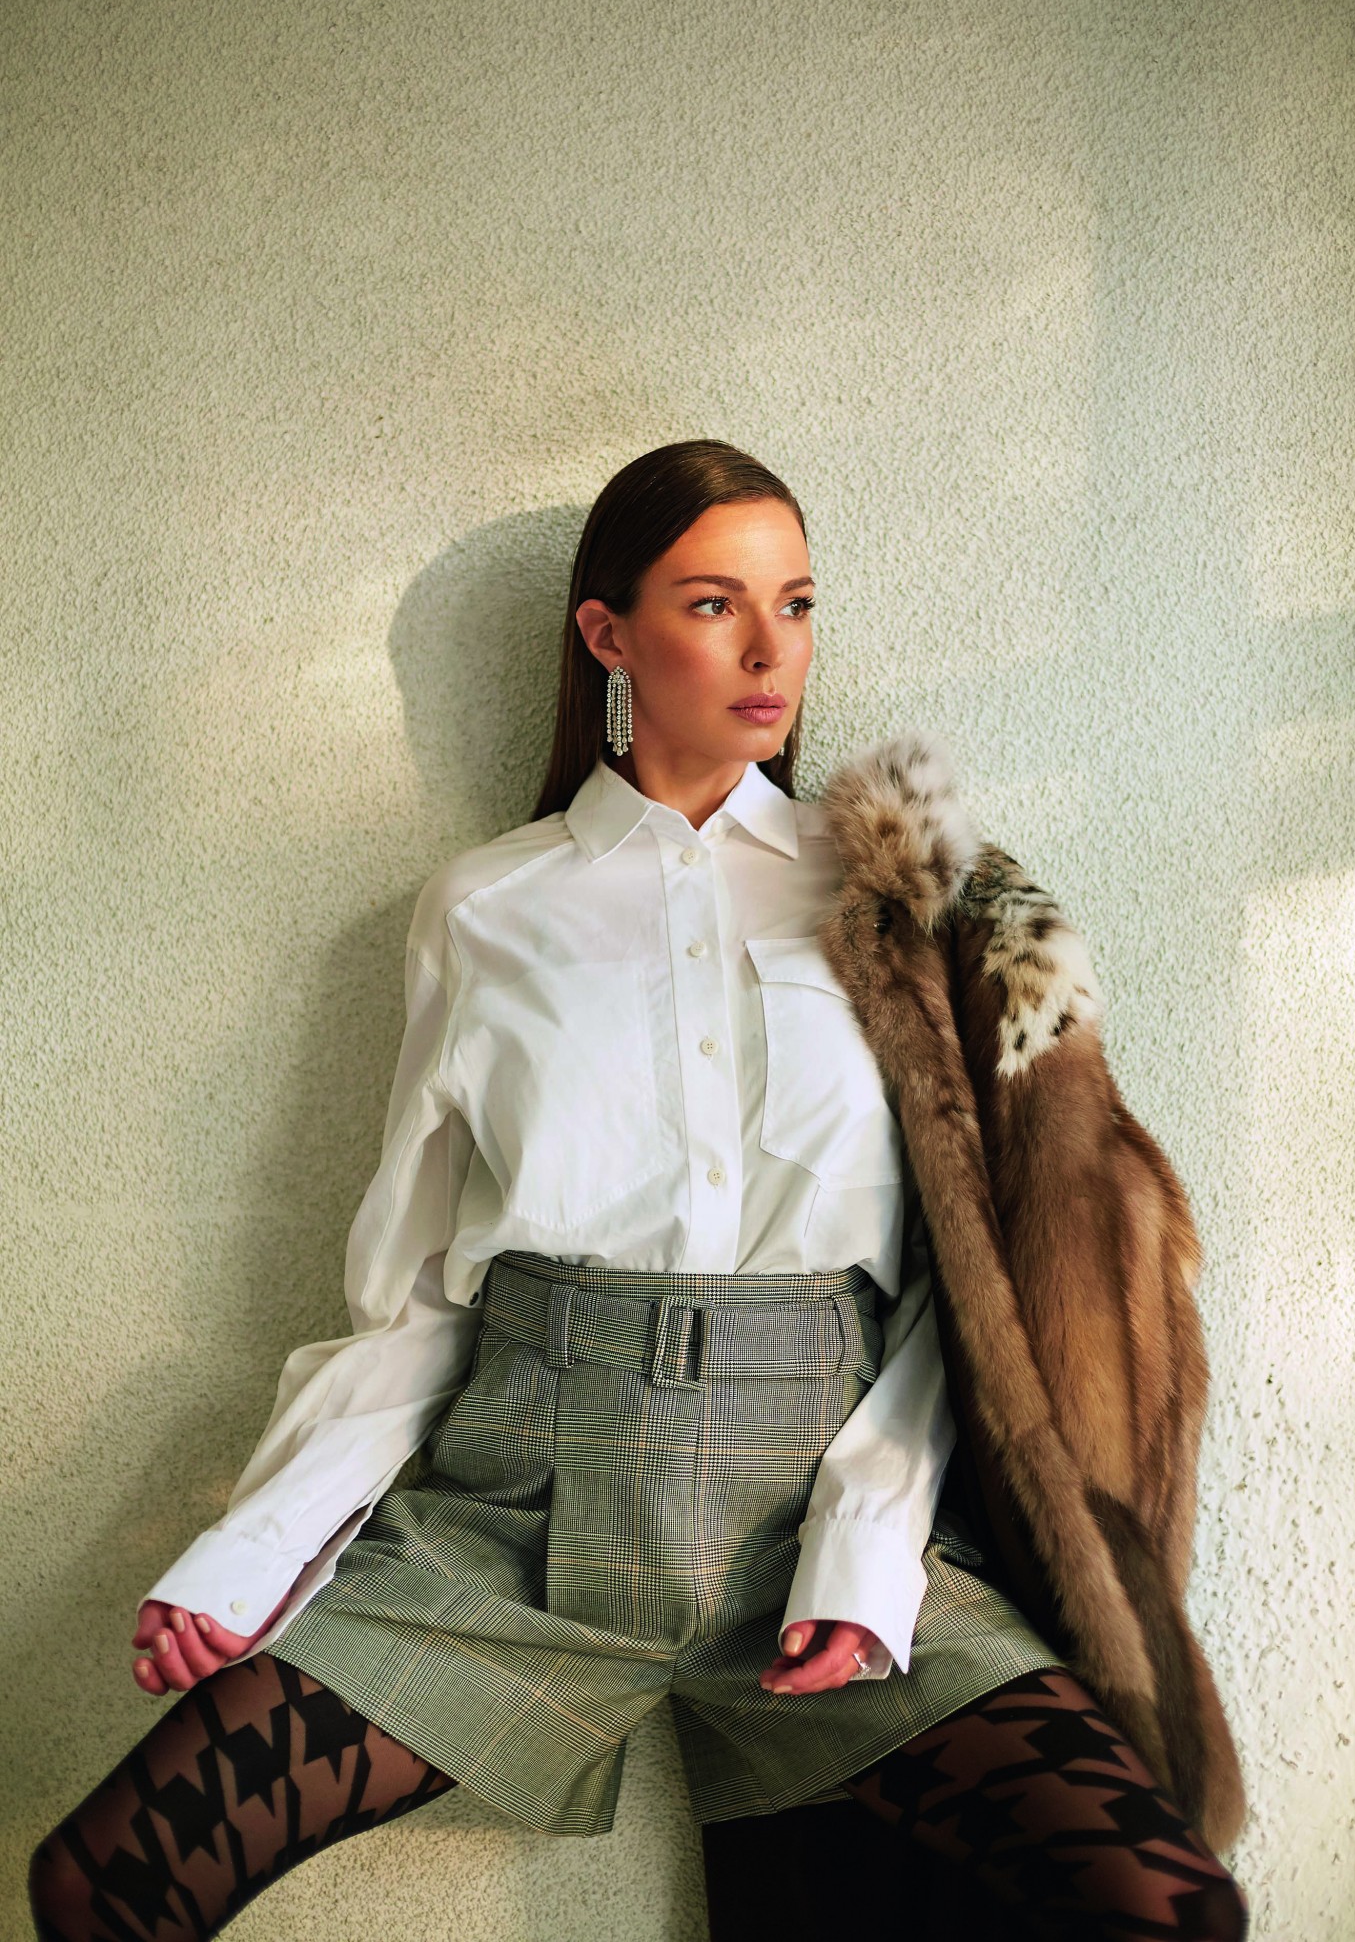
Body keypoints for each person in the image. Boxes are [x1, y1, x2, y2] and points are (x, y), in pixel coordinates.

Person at [29, 440, 1248, 1940]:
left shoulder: (890, 897)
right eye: (713, 605)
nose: (768, 652)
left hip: (821, 1519)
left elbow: (960, 1285)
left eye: (795, 605)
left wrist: (866, 1552)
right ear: (608, 635)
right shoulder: (483, 910)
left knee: (1167, 1900)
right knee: (103, 1880)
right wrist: (257, 1547)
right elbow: (417, 1294)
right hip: (518, 1526)